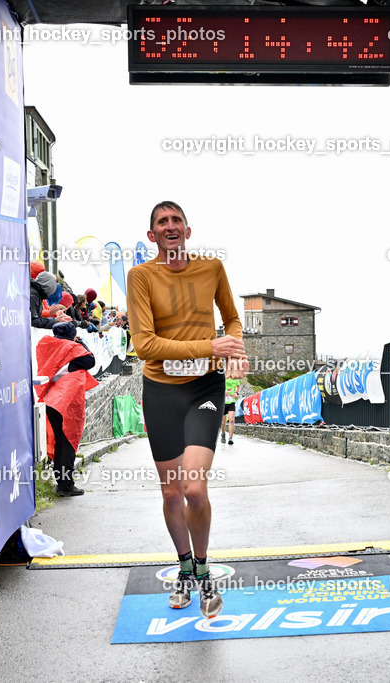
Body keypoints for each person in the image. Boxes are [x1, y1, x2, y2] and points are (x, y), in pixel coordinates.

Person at [126, 200, 248, 619]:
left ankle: (204, 569)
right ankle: (183, 566)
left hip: (205, 388)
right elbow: (145, 344)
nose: (170, 226)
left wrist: (235, 348)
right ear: (152, 236)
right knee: (171, 490)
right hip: (161, 390)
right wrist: (211, 346)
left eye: (176, 220)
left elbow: (232, 319)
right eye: (162, 222)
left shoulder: (211, 269)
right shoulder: (140, 276)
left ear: (188, 231)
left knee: (194, 487)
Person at [34, 321, 98, 496]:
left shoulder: (49, 346)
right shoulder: (72, 349)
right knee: (67, 443)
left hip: (51, 400)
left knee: (59, 442)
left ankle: (61, 481)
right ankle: (65, 485)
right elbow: (90, 359)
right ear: (72, 335)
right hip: (65, 403)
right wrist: (80, 341)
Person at [220, 377, 240, 445]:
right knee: (223, 421)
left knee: (231, 420)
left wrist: (236, 393)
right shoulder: (223, 376)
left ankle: (230, 438)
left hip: (231, 402)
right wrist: (223, 390)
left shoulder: (235, 377)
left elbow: (238, 385)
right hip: (223, 402)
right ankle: (223, 434)